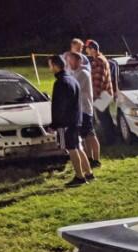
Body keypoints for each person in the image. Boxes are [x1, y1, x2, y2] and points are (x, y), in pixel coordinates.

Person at [47, 54, 93, 186]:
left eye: (50, 65)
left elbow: (59, 106)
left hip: (66, 123)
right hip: (76, 120)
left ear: (55, 66)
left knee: (72, 149)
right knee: (78, 147)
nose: (49, 68)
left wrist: (54, 125)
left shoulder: (60, 82)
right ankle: (88, 173)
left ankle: (79, 177)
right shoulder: (72, 79)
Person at [66, 52, 101, 172]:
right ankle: (90, 159)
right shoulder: (74, 73)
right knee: (85, 136)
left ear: (79, 61)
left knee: (90, 135)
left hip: (85, 109)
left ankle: (96, 160)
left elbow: (72, 90)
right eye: (68, 61)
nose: (69, 63)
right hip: (80, 109)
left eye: (71, 61)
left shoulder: (82, 74)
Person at [85, 40, 111, 166]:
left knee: (103, 118)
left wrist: (94, 96)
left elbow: (97, 80)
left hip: (101, 95)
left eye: (88, 49)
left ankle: (109, 141)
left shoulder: (98, 61)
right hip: (105, 93)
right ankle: (110, 139)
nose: (86, 51)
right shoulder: (102, 58)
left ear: (93, 49)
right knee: (105, 117)